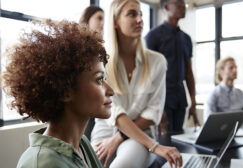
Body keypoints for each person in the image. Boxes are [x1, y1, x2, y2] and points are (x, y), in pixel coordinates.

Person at [3, 20, 113, 168]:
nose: (111, 91)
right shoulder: (42, 163)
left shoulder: (82, 144)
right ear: (66, 90)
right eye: (99, 79)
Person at [90, 0, 182, 168]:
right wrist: (113, 139)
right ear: (116, 22)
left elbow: (153, 112)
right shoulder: (101, 61)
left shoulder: (157, 62)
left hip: (140, 137)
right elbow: (114, 112)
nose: (140, 19)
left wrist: (118, 138)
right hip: (104, 135)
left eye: (140, 14)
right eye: (132, 14)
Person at [145, 0, 200, 134]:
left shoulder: (186, 39)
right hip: (161, 100)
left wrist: (193, 101)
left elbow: (188, 72)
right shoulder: (152, 36)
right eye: (178, 3)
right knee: (164, 143)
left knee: (180, 141)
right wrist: (156, 107)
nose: (183, 7)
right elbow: (147, 75)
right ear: (166, 7)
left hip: (180, 100)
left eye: (184, 4)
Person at [204, 57, 243, 126]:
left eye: (236, 67)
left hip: (242, 133)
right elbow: (208, 121)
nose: (235, 70)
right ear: (221, 71)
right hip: (222, 135)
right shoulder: (214, 94)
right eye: (231, 68)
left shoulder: (241, 94)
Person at [79, 5, 105, 140]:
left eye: (104, 19)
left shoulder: (101, 47)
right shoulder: (78, 46)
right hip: (84, 103)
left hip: (99, 102)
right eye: (99, 18)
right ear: (87, 19)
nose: (103, 23)